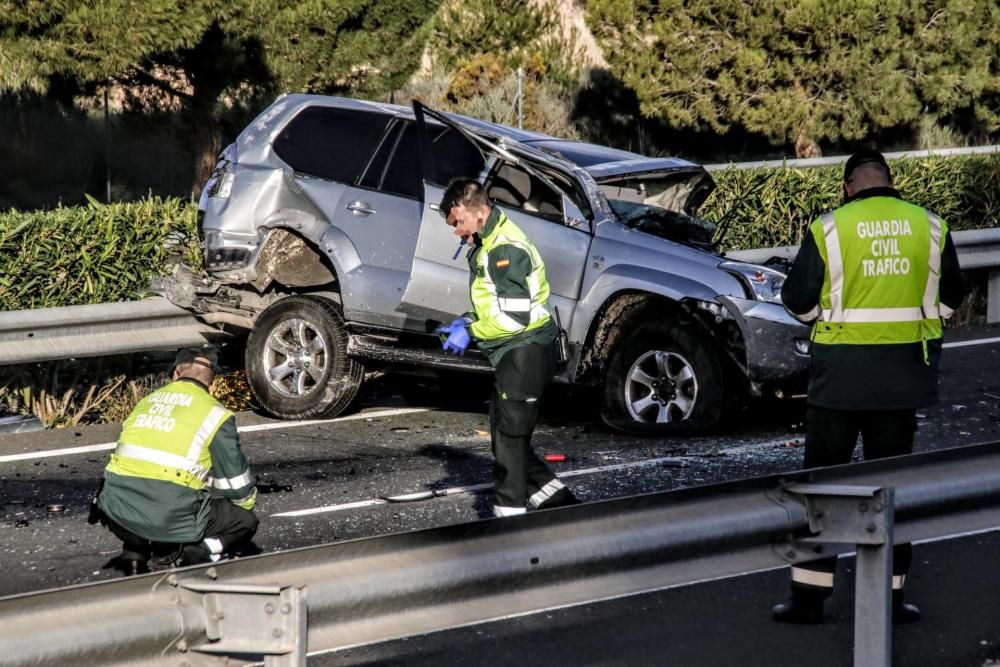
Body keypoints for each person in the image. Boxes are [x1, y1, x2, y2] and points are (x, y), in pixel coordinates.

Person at [774, 148, 965, 623]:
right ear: (890, 182)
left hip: (838, 381)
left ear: (848, 186)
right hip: (901, 381)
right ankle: (892, 600)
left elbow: (798, 301)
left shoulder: (830, 228)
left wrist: (829, 320)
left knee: (822, 491)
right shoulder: (930, 225)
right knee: (891, 489)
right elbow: (951, 297)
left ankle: (809, 601)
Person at [436, 177, 579, 517]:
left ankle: (509, 518)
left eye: (458, 222)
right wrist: (467, 319)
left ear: (480, 211)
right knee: (505, 433)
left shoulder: (504, 249)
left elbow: (516, 320)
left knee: (510, 438)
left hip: (525, 349)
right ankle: (557, 502)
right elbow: (498, 304)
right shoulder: (488, 243)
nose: (456, 231)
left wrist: (470, 330)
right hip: (515, 350)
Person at [94, 347, 258, 573]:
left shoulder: (146, 402)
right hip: (167, 517)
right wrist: (245, 505)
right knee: (244, 521)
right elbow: (236, 483)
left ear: (175, 375)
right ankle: (199, 551)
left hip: (113, 510)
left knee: (135, 488)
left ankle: (134, 553)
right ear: (211, 386)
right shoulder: (215, 413)